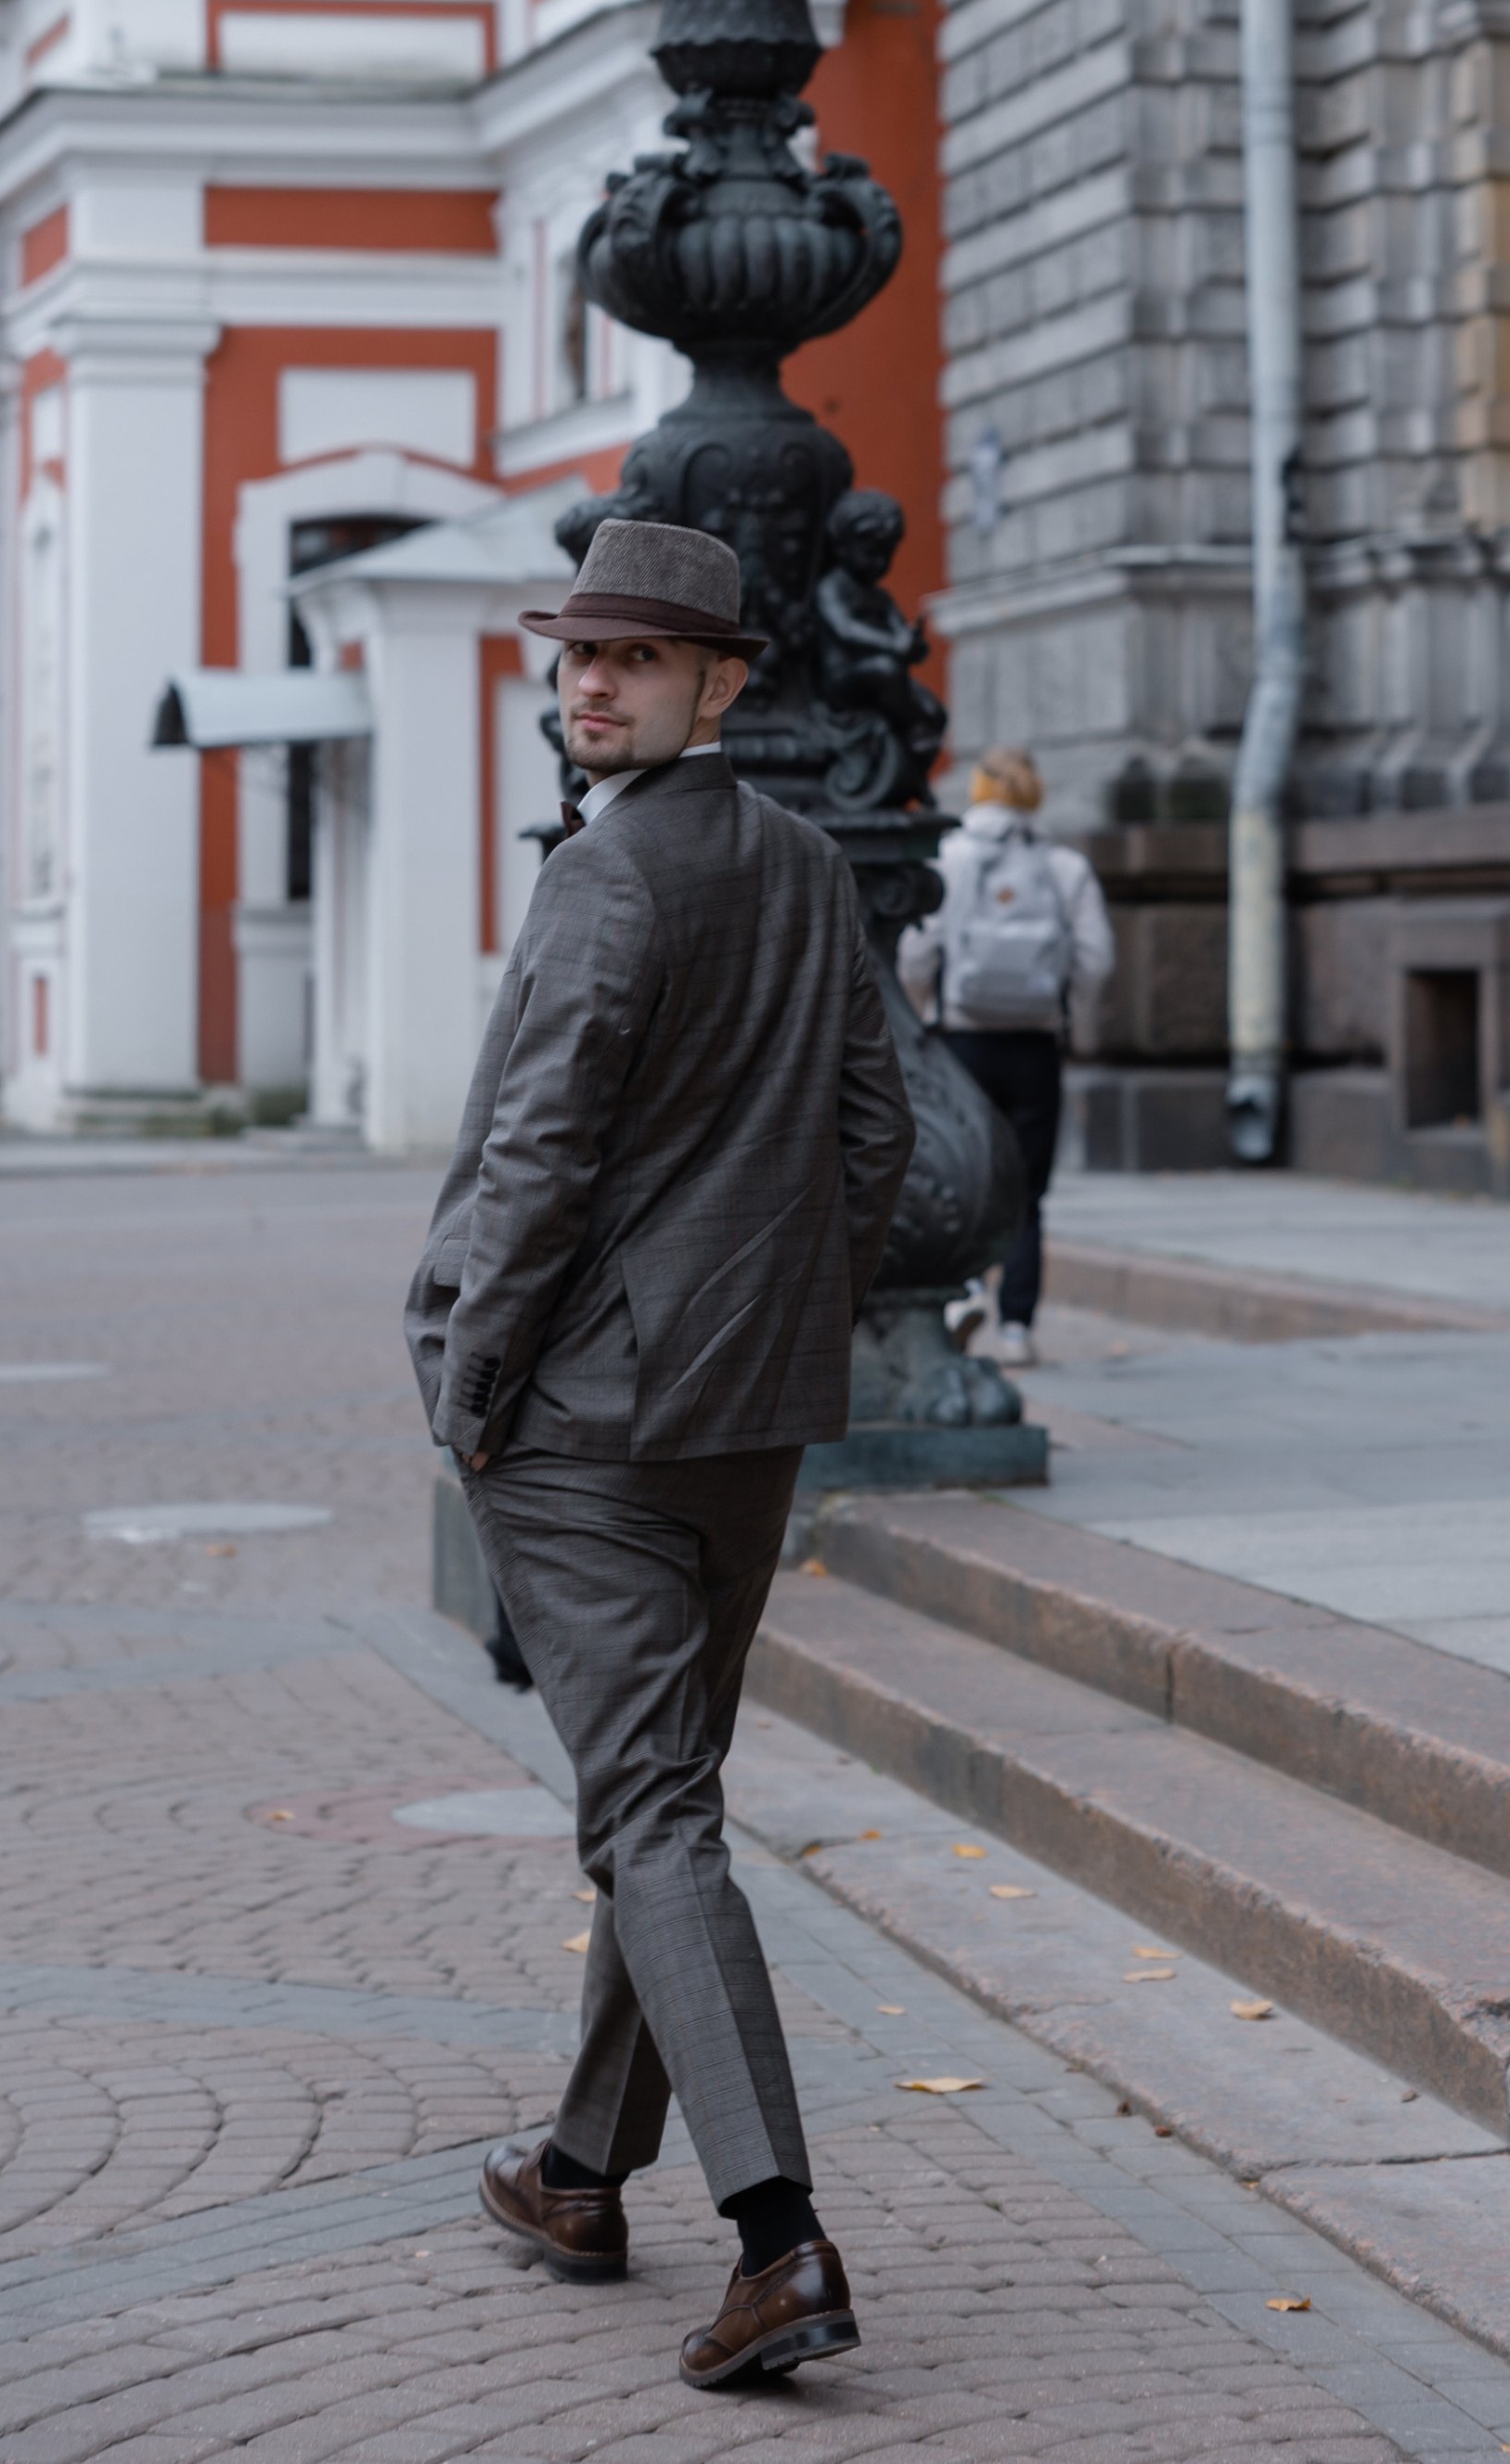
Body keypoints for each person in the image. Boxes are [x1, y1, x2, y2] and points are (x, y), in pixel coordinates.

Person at [406, 517, 915, 2390]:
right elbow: (874, 1134)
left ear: (723, 684)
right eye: (577, 656)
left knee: (654, 1809)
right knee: (660, 1786)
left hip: (586, 1425)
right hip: (741, 1418)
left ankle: (778, 2244)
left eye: (634, 660)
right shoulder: (803, 864)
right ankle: (572, 2172)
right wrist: (783, 1315)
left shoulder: (605, 879)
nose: (593, 683)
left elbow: (531, 1165)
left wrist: (470, 1392)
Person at [897, 745, 1113, 1365]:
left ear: (981, 793)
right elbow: (1096, 956)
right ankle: (1017, 1326)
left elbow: (917, 950)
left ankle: (963, 1290)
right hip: (1035, 1046)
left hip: (961, 1041)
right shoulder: (1064, 867)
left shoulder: (951, 857)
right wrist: (1070, 1012)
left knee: (963, 1175)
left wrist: (923, 1010)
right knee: (1026, 1189)